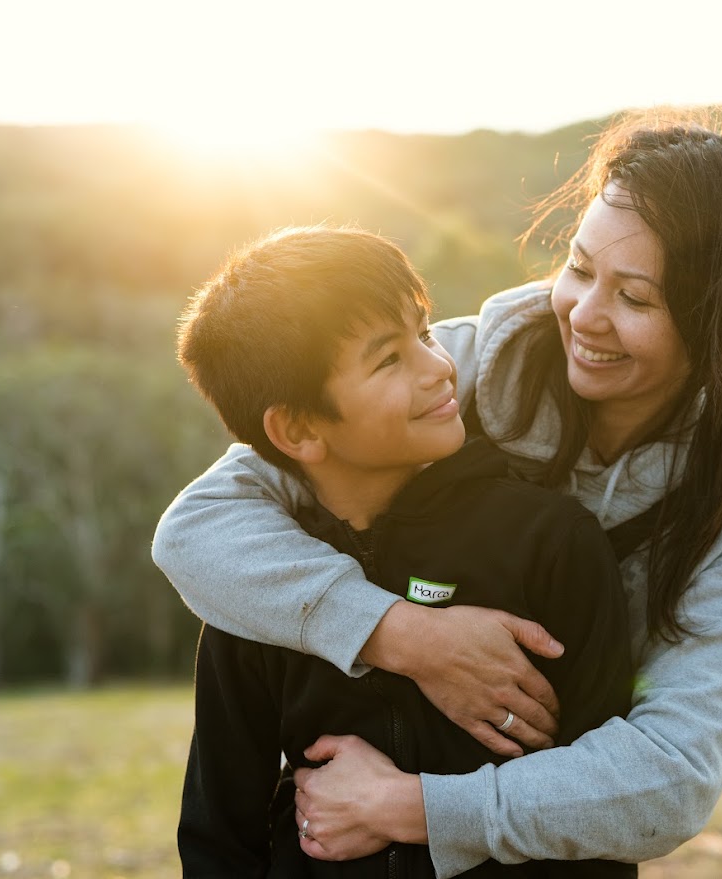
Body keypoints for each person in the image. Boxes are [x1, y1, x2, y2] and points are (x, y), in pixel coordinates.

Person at [153, 104, 722, 877]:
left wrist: (414, 807)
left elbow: (670, 779)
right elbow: (197, 529)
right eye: (581, 268)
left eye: (636, 299)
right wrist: (404, 635)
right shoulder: (450, 379)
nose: (586, 317)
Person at [170, 225, 636, 878]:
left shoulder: (551, 543)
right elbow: (220, 838)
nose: (440, 366)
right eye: (389, 359)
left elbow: (598, 824)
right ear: (299, 427)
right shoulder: (258, 594)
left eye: (423, 331)